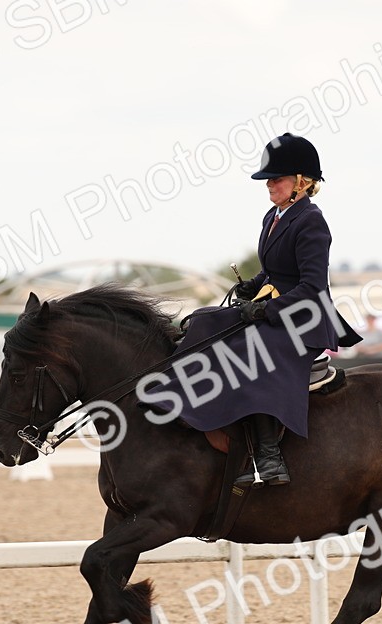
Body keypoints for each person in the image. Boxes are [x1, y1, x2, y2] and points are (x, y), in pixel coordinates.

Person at [152, 132, 362, 486]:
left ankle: (266, 454)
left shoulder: (311, 221)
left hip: (305, 320)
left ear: (301, 182)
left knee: (251, 356)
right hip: (277, 308)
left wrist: (267, 311)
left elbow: (312, 286)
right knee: (205, 323)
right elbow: (276, 269)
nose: (269, 186)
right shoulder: (273, 217)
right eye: (268, 180)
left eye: (275, 179)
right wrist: (253, 283)